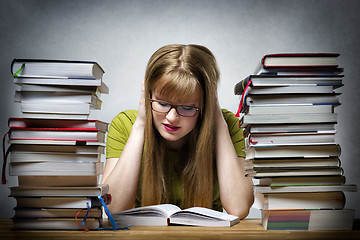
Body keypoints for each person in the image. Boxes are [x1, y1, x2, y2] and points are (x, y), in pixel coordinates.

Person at [102, 44, 254, 219]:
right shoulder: (125, 124)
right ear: (147, 94)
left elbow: (239, 208)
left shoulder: (228, 125)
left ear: (206, 103)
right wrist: (140, 126)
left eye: (188, 107)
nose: (172, 117)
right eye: (163, 103)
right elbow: (112, 208)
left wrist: (218, 121)